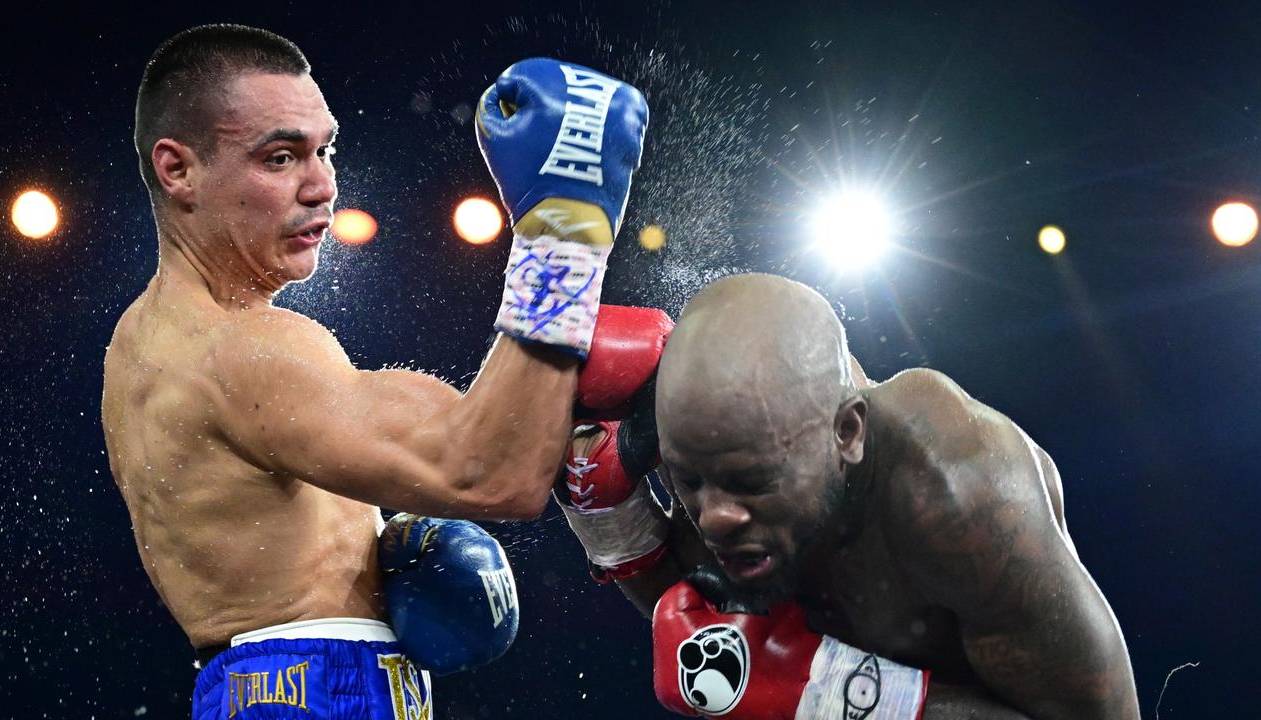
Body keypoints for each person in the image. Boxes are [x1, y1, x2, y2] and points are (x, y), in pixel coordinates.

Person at [101, 23, 658, 719]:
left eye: (323, 149)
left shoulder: (144, 342)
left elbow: (477, 433)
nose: (322, 186)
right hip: (321, 689)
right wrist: (563, 236)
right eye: (279, 158)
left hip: (267, 687)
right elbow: (492, 471)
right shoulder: (240, 352)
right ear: (178, 170)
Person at [557, 273, 1140, 719]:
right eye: (688, 482)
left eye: (751, 483)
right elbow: (703, 640)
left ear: (848, 433)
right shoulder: (721, 448)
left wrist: (827, 691)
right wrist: (611, 522)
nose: (716, 516)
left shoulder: (959, 494)